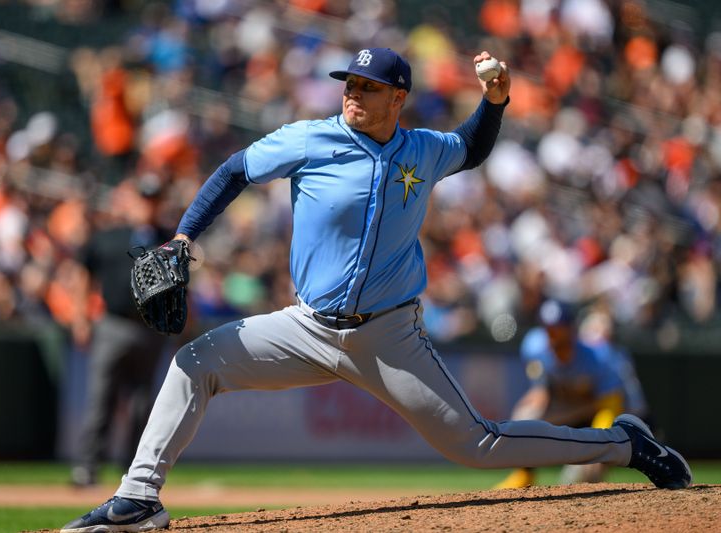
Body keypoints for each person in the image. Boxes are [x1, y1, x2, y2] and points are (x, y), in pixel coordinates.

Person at [61, 48, 691, 532]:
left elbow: (470, 147)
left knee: (479, 446)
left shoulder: (422, 148)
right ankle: (139, 496)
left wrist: (495, 101)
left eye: (367, 87)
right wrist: (183, 238)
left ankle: (625, 443)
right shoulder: (310, 138)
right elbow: (234, 170)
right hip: (306, 327)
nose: (353, 94)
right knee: (195, 362)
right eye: (349, 84)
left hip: (390, 334)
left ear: (400, 97)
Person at [69, 181, 169, 487]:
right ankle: (88, 466)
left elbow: (182, 289)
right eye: (143, 198)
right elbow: (83, 273)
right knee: (101, 398)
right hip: (112, 324)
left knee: (142, 404)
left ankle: (133, 471)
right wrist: (80, 317)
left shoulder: (169, 239)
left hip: (150, 329)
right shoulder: (109, 237)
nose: (147, 205)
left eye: (153, 199)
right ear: (130, 201)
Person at [496, 300, 649, 488]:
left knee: (577, 480)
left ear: (571, 329)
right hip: (569, 407)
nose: (552, 334)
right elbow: (540, 384)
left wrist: (599, 444)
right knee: (524, 417)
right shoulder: (534, 346)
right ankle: (523, 475)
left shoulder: (597, 357)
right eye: (548, 328)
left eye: (558, 328)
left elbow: (611, 405)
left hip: (597, 413)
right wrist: (540, 391)